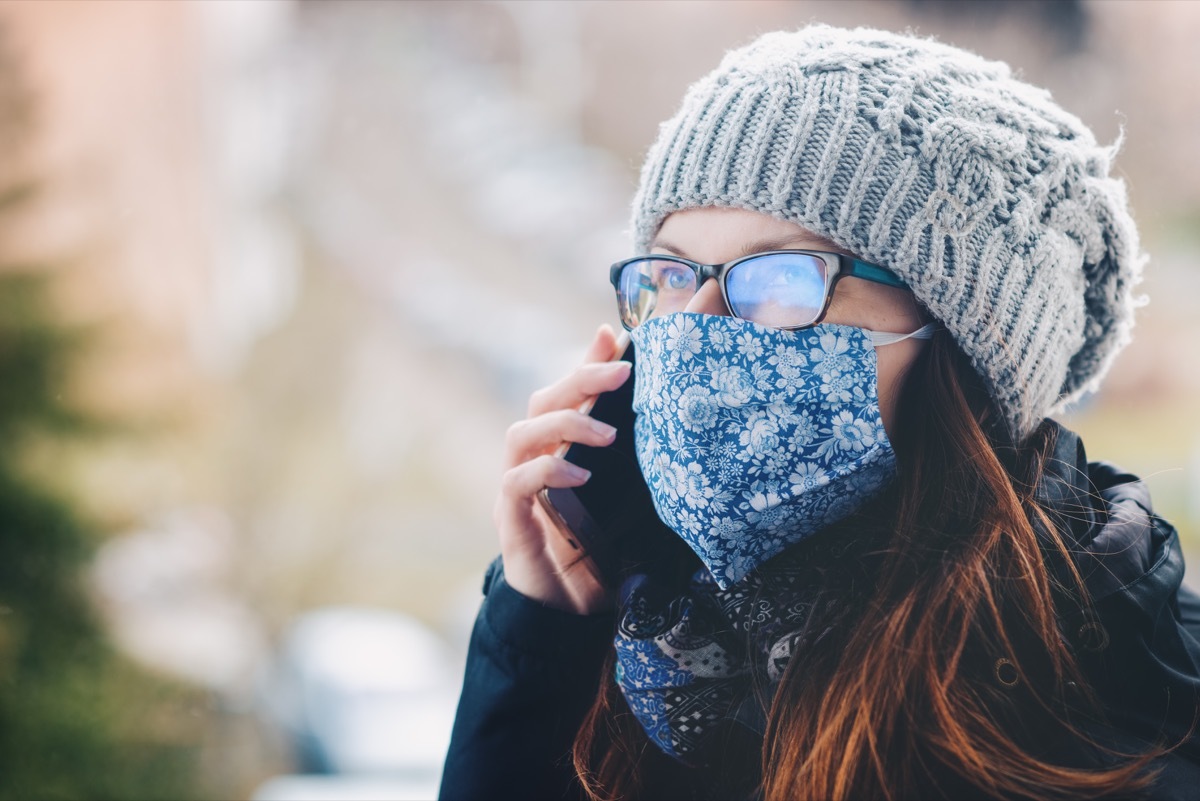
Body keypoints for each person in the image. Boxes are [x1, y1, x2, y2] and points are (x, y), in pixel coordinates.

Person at [439, 25, 1200, 800]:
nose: (698, 322)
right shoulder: (649, 644)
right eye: (671, 274)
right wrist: (541, 641)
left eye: (779, 276)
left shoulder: (1119, 735)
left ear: (962, 350)